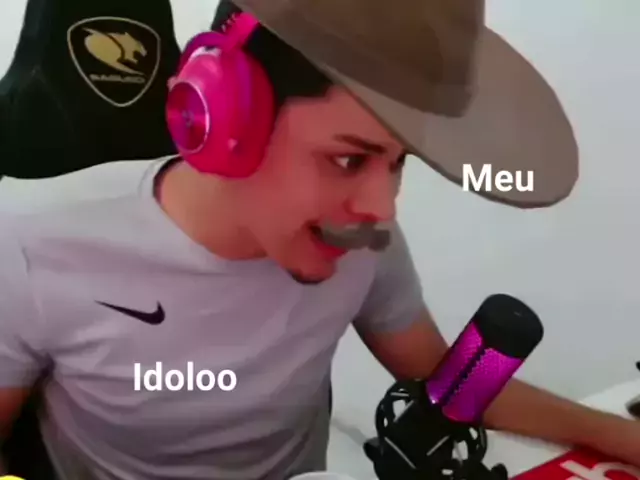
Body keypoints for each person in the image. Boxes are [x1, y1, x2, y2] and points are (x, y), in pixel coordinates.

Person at [0, 0, 637, 478]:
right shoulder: (35, 246)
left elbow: (440, 375)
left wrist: (617, 435)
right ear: (223, 118)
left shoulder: (361, 241)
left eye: (398, 163)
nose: (382, 208)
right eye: (348, 159)